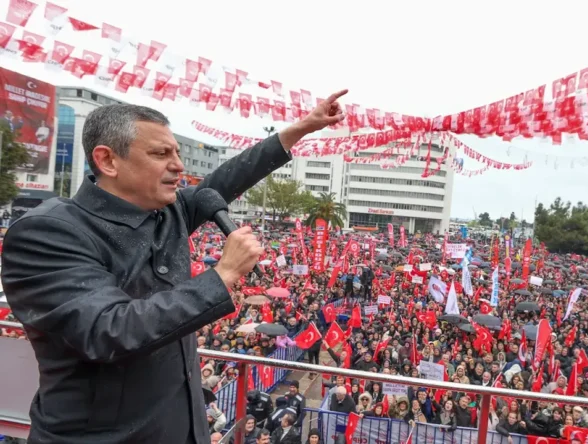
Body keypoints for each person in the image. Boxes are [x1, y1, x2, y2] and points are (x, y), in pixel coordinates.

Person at [0, 91, 347, 444]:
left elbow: (227, 179)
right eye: (160, 154)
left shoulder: (167, 211)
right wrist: (222, 276)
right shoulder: (48, 232)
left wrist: (302, 128)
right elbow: (108, 330)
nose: (179, 165)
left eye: (177, 153)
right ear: (107, 160)